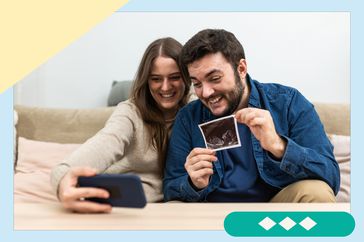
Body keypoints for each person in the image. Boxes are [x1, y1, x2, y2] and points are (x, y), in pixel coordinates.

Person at [163, 29, 340, 203]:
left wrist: (279, 146)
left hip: (273, 212)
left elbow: (330, 176)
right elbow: (171, 189)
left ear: (241, 68)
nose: (206, 92)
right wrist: (193, 184)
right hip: (211, 211)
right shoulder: (188, 117)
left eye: (215, 78)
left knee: (316, 192)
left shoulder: (288, 103)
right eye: (197, 83)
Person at [51, 37, 190, 213]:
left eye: (175, 77)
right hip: (122, 205)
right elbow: (105, 143)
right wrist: (63, 178)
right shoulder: (129, 113)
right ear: (146, 80)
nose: (165, 87)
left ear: (186, 77)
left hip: (168, 208)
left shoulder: (196, 107)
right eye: (156, 79)